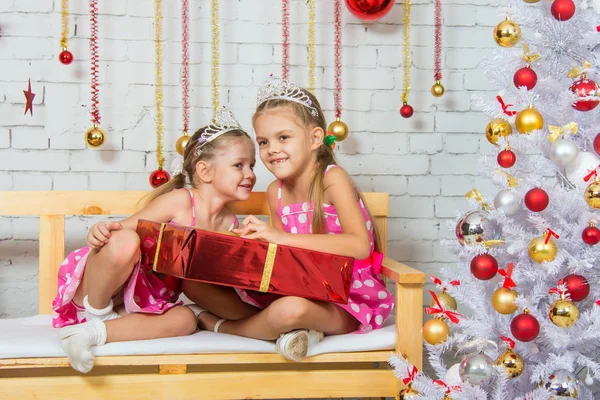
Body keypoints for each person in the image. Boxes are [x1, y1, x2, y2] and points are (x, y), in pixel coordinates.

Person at [192, 76, 393, 361]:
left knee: (291, 311)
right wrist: (251, 246)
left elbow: (360, 246)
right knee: (195, 283)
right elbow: (282, 262)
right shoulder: (276, 192)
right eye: (263, 141)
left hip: (346, 299)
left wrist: (282, 238)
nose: (271, 148)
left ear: (314, 139)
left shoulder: (332, 179)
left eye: (283, 137)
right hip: (301, 288)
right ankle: (296, 332)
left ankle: (225, 327)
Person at [53, 108, 257, 373]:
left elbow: (208, 278)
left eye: (252, 165)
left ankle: (89, 333)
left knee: (185, 319)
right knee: (126, 240)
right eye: (239, 165)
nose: (250, 173)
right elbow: (120, 230)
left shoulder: (229, 224)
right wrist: (99, 229)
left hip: (142, 302)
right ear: (205, 171)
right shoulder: (182, 201)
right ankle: (96, 315)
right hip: (102, 288)